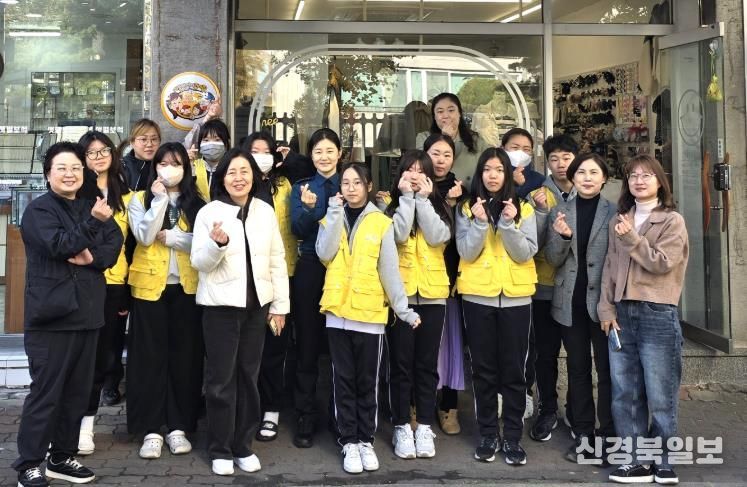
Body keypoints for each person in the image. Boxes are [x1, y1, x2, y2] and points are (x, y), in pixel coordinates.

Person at [13, 142, 122, 487]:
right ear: (48, 174)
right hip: (51, 318)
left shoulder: (92, 206)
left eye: (75, 167)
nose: (70, 174)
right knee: (46, 393)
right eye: (61, 168)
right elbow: (60, 245)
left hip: (88, 314)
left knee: (77, 393)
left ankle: (61, 457)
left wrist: (91, 256)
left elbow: (113, 243)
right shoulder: (39, 211)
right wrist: (90, 227)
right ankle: (29, 463)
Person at [316, 162, 421, 474]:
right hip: (337, 312)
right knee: (343, 381)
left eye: (357, 182)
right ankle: (348, 440)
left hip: (370, 314)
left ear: (369, 186)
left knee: (367, 382)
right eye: (346, 182)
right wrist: (334, 214)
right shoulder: (331, 216)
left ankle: (365, 440)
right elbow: (324, 253)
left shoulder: (381, 222)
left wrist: (403, 310)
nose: (351, 188)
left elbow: (389, 271)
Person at [191, 147, 290, 476]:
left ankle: (242, 445)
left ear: (254, 177)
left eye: (244, 171)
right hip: (220, 308)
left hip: (256, 308)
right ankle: (219, 447)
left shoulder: (264, 211)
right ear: (222, 178)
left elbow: (277, 259)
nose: (238, 178)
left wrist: (280, 306)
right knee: (220, 380)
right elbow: (199, 262)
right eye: (231, 172)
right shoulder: (209, 213)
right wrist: (216, 245)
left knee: (248, 376)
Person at [600, 155, 689, 485]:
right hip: (622, 312)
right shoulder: (620, 219)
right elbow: (610, 267)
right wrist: (606, 309)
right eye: (633, 176)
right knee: (625, 392)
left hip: (657, 313)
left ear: (660, 182)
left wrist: (632, 240)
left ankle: (663, 461)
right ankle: (635, 461)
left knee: (660, 394)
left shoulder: (672, 221)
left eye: (646, 175)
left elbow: (662, 263)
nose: (639, 181)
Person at [456, 147, 537, 465]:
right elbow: (466, 252)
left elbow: (525, 253)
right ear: (480, 174)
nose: (493, 175)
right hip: (478, 298)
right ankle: (488, 434)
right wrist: (479, 223)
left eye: (499, 170)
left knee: (514, 372)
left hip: (516, 298)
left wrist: (507, 223)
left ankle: (513, 437)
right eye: (487, 169)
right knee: (484, 370)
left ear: (508, 175)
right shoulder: (467, 208)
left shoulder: (524, 208)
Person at [126, 142, 206, 459]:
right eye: (163, 164)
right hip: (149, 289)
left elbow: (204, 243)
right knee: (149, 359)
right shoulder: (138, 199)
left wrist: (177, 239)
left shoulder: (197, 203)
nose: (168, 170)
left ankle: (178, 426)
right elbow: (144, 236)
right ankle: (151, 429)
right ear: (154, 167)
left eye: (176, 164)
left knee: (184, 358)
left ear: (186, 169)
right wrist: (159, 201)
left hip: (187, 289)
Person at [544, 153, 617, 463]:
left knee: (608, 371)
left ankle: (609, 434)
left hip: (604, 304)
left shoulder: (615, 213)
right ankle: (584, 433)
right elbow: (552, 259)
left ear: (604, 178)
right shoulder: (559, 212)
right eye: (581, 173)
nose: (587, 178)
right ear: (572, 178)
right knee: (577, 369)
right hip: (569, 303)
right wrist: (563, 237)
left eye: (594, 172)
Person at [383, 150, 453, 459]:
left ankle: (424, 426)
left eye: (420, 170)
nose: (414, 174)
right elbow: (399, 235)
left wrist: (423, 200)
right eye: (409, 169)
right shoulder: (389, 207)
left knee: (426, 365)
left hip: (433, 295)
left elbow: (437, 237)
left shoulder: (441, 206)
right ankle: (401, 425)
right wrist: (407, 199)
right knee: (400, 366)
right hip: (401, 297)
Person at [76, 131, 132, 455]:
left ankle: (86, 426)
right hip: (81, 282)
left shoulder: (125, 194)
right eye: (91, 152)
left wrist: (125, 289)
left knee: (102, 357)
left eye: (104, 150)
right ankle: (69, 421)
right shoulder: (76, 193)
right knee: (78, 357)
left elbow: (131, 245)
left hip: (114, 285)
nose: (99, 157)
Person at [243, 131, 300, 442]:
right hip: (246, 279)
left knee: (276, 345)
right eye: (255, 150)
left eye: (266, 151)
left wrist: (290, 157)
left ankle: (272, 411)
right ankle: (248, 408)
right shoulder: (238, 184)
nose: (260, 156)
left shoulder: (285, 184)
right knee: (248, 349)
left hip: (280, 274)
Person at [290, 128, 341, 449]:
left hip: (344, 269)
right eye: (318, 151)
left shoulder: (350, 183)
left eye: (329, 151)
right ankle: (305, 415)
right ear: (311, 155)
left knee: (339, 346)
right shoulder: (302, 188)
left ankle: (339, 415)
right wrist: (308, 209)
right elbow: (296, 229)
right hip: (310, 268)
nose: (324, 157)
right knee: (307, 344)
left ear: (340, 153)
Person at [527, 133, 579, 442]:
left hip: (575, 289)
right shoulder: (537, 195)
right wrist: (540, 211)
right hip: (544, 286)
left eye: (566, 158)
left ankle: (576, 410)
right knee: (545, 354)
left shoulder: (588, 192)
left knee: (576, 355)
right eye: (554, 159)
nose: (560, 165)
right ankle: (547, 409)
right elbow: (530, 243)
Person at [423, 133, 468, 435]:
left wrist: (453, 204)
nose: (440, 160)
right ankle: (417, 405)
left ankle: (449, 406)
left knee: (450, 346)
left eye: (446, 155)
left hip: (449, 280)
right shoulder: (412, 184)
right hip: (417, 279)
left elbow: (460, 238)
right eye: (435, 153)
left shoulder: (461, 191)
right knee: (421, 348)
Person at [416, 92, 490, 186]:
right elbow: (423, 169)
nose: (446, 115)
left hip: (470, 194)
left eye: (451, 110)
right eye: (440, 111)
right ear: (434, 117)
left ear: (459, 113)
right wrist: (445, 138)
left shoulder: (476, 140)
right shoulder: (423, 138)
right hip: (435, 193)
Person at [190, 118, 230, 201]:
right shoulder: (193, 166)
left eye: (217, 139)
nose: (211, 144)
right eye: (206, 140)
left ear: (226, 144)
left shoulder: (231, 168)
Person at [501, 127, 544, 201]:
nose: (520, 152)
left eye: (526, 149)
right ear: (502, 149)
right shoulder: (493, 177)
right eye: (515, 147)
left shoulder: (539, 180)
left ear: (531, 153)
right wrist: (513, 184)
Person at [122, 119, 162, 191]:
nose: (149, 144)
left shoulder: (166, 166)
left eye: (154, 139)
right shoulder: (121, 167)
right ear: (132, 142)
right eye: (143, 139)